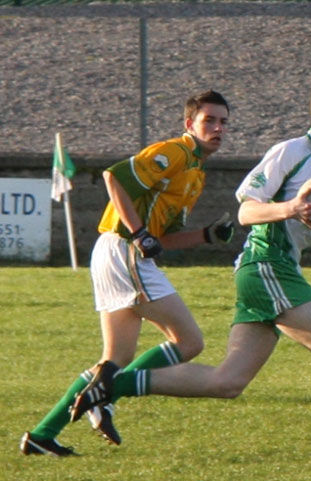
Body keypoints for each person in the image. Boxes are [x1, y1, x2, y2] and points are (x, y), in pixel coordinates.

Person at [52, 77, 311, 481]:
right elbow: (246, 211)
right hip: (264, 262)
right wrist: (289, 207)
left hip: (283, 268)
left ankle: (115, 383)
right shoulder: (291, 152)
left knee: (228, 382)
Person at [20, 89, 234, 456]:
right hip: (124, 250)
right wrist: (139, 234)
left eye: (223, 122)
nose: (217, 128)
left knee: (115, 360)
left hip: (117, 251)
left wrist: (206, 236)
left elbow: (162, 238)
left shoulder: (196, 173)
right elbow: (114, 176)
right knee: (190, 343)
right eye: (209, 120)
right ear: (189, 124)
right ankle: (108, 394)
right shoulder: (176, 152)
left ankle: (42, 435)